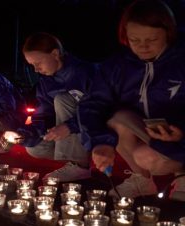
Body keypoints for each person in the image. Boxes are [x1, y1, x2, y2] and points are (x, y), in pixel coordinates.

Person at [78, 0, 185, 200]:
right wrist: (101, 142)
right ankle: (142, 180)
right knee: (117, 118)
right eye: (134, 40)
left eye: (152, 39)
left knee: (149, 157)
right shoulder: (118, 66)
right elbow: (92, 105)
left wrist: (182, 131)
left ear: (168, 34)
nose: (142, 47)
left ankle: (183, 177)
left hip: (179, 140)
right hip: (147, 135)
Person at [5, 32, 96, 182]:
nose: (35, 69)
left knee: (62, 99)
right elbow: (43, 114)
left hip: (94, 129)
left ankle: (80, 165)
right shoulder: (46, 81)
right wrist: (24, 134)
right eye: (32, 65)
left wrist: (69, 126)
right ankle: (72, 157)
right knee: (34, 148)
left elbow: (100, 108)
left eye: (38, 63)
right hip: (70, 135)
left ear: (55, 54)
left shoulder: (85, 72)